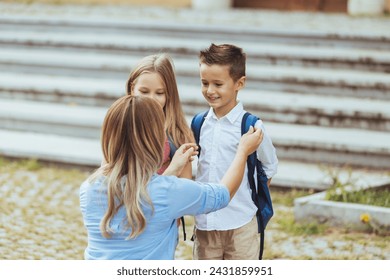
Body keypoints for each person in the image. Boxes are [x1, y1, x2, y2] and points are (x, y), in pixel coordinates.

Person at [79, 95, 263, 260]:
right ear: (155, 140)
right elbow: (222, 195)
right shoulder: (167, 192)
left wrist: (173, 168)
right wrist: (242, 151)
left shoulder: (89, 188)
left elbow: (142, 197)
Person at [192, 43, 278, 260]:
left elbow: (269, 165)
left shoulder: (252, 127)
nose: (210, 90)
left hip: (241, 224)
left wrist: (249, 196)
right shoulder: (199, 123)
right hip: (206, 224)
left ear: (239, 83)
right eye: (204, 83)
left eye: (218, 84)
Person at [125, 53, 194, 178]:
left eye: (160, 93)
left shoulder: (178, 134)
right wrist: (172, 169)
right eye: (144, 91)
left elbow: (185, 187)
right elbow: (108, 181)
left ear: (169, 95)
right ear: (132, 89)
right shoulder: (120, 125)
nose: (151, 99)